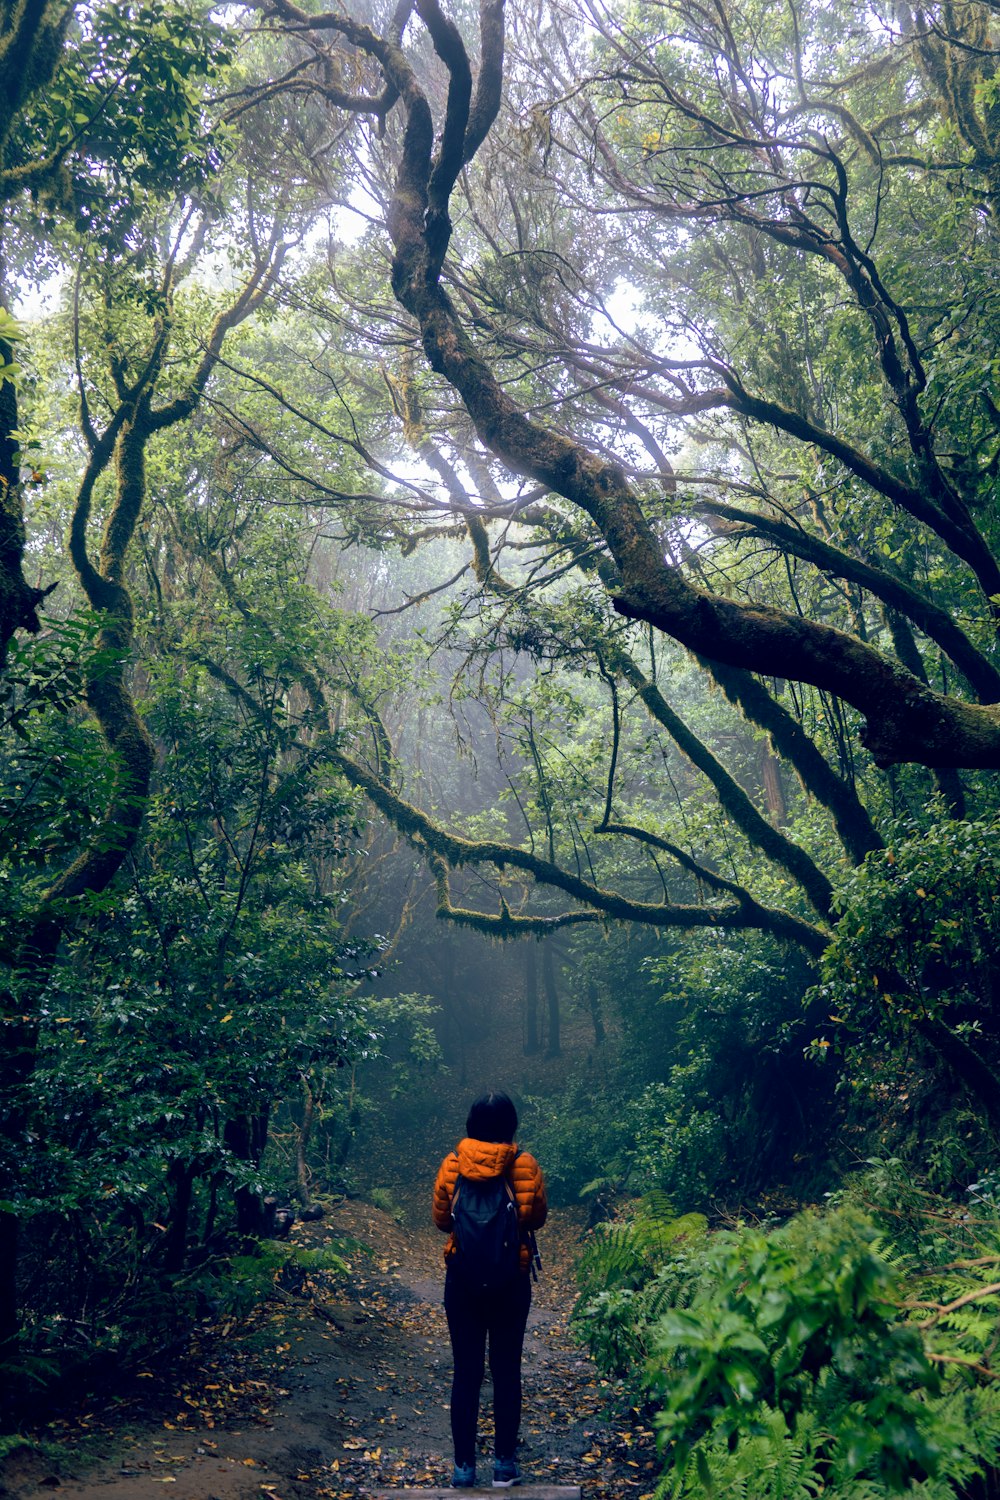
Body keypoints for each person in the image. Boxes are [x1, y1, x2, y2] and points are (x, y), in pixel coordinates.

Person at [432, 1091, 548, 1489]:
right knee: (505, 1371)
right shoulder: (524, 1164)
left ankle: (463, 1468)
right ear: (511, 1125)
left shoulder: (452, 1164)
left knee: (465, 1372)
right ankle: (503, 1465)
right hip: (510, 1281)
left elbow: (442, 1222)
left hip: (462, 1280)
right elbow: (536, 1218)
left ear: (471, 1123)